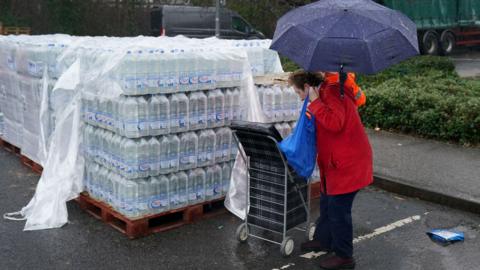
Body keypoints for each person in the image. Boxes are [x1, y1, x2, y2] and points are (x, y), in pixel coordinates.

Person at [288, 70, 373, 270]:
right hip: (336, 163)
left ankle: (344, 257)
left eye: (298, 92)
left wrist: (315, 102)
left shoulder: (334, 91)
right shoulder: (328, 89)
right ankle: (324, 240)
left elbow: (335, 123)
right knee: (327, 202)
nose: (299, 97)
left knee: (338, 211)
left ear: (307, 88)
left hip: (347, 163)